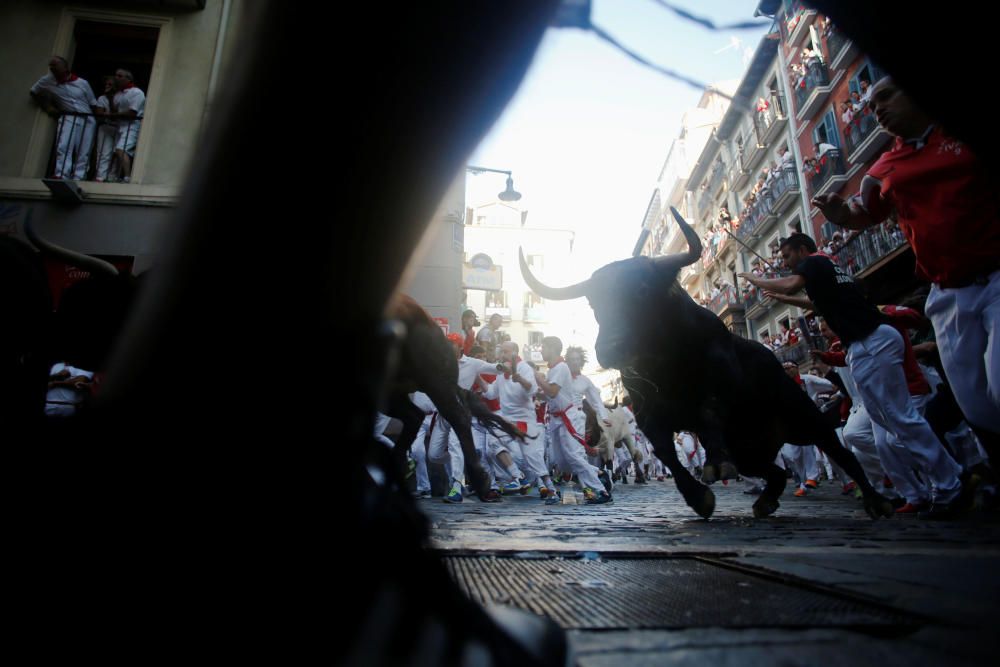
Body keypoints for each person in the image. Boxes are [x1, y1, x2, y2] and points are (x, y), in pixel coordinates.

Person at [812, 77, 1000, 467]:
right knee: (976, 403)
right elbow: (864, 214)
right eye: (871, 102)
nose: (876, 108)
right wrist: (840, 215)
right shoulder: (882, 169)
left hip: (996, 276)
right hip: (947, 292)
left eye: (886, 96)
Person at [740, 233, 965, 516]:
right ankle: (925, 488)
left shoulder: (813, 261)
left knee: (900, 418)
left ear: (801, 250)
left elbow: (792, 282)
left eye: (786, 256)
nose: (785, 263)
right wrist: (786, 299)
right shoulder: (828, 270)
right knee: (885, 425)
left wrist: (755, 279)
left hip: (871, 341)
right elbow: (819, 305)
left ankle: (950, 484)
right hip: (866, 343)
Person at [534, 336, 612, 504]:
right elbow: (553, 395)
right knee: (561, 462)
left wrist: (604, 416)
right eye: (572, 359)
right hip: (557, 418)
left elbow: (594, 399)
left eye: (578, 360)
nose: (575, 363)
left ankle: (599, 490)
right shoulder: (558, 370)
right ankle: (596, 473)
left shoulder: (570, 374)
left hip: (572, 418)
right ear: (568, 360)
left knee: (574, 456)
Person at [29, 56, 98, 180]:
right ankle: (62, 174)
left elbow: (93, 103)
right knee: (63, 145)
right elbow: (34, 92)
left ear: (65, 68)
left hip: (87, 118)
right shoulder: (47, 80)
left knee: (84, 150)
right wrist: (47, 106)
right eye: (51, 66)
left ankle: (79, 176)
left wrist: (99, 119)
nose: (52, 68)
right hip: (68, 115)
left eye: (55, 65)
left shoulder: (82, 83)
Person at [108, 69, 145, 183]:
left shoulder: (136, 92)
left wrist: (115, 114)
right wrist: (109, 96)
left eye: (120, 76)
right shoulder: (118, 94)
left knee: (121, 150)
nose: (116, 78)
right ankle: (113, 176)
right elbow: (114, 112)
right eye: (116, 75)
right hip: (120, 126)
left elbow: (132, 113)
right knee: (116, 152)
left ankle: (127, 177)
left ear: (128, 79)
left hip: (132, 126)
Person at [92, 75, 119, 182]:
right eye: (106, 84)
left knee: (116, 153)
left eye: (110, 85)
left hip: (119, 127)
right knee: (103, 152)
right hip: (105, 127)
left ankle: (112, 176)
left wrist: (111, 99)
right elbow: (99, 113)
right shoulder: (102, 98)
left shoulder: (121, 97)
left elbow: (115, 113)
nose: (107, 86)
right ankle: (100, 176)